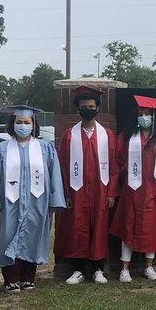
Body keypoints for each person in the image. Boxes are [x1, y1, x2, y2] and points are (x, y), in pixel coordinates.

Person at [0, 105, 66, 293]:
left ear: (33, 125)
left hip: (37, 201)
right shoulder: (0, 149)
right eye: (19, 122)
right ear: (12, 124)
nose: (22, 126)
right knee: (7, 236)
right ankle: (11, 279)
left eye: (26, 122)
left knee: (33, 236)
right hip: (9, 203)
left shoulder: (45, 148)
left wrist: (54, 201)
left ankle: (29, 277)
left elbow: (55, 176)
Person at [111, 94, 156, 281]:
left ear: (154, 116)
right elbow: (117, 161)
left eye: (147, 113)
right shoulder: (126, 137)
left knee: (153, 228)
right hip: (132, 190)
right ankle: (124, 268)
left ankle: (149, 266)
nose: (143, 117)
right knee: (128, 226)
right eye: (140, 113)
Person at [55, 85, 117, 285]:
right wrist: (66, 193)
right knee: (77, 228)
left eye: (91, 106)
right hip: (77, 189)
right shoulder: (69, 135)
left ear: (97, 108)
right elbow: (63, 166)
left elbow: (114, 165)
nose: (87, 109)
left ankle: (98, 268)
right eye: (84, 106)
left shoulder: (106, 135)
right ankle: (78, 269)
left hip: (101, 189)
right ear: (78, 109)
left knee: (99, 226)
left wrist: (111, 192)